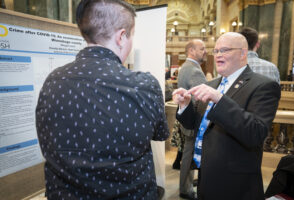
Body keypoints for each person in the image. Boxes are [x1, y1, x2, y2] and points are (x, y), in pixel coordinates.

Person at [35, 1, 169, 199]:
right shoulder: (144, 85)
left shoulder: (52, 80)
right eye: (132, 35)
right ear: (122, 37)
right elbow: (160, 134)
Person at [172, 32, 281, 199]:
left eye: (224, 50)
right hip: (206, 175)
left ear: (243, 53)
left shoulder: (264, 86)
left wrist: (219, 99)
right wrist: (185, 106)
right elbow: (195, 124)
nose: (218, 55)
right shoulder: (211, 84)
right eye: (215, 51)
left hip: (235, 183)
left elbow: (256, 132)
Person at [176, 39, 207, 200]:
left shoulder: (186, 67)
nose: (205, 51)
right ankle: (185, 189)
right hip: (194, 121)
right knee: (189, 155)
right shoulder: (194, 70)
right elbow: (203, 99)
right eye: (202, 48)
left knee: (188, 153)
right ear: (191, 51)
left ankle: (186, 185)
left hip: (189, 119)